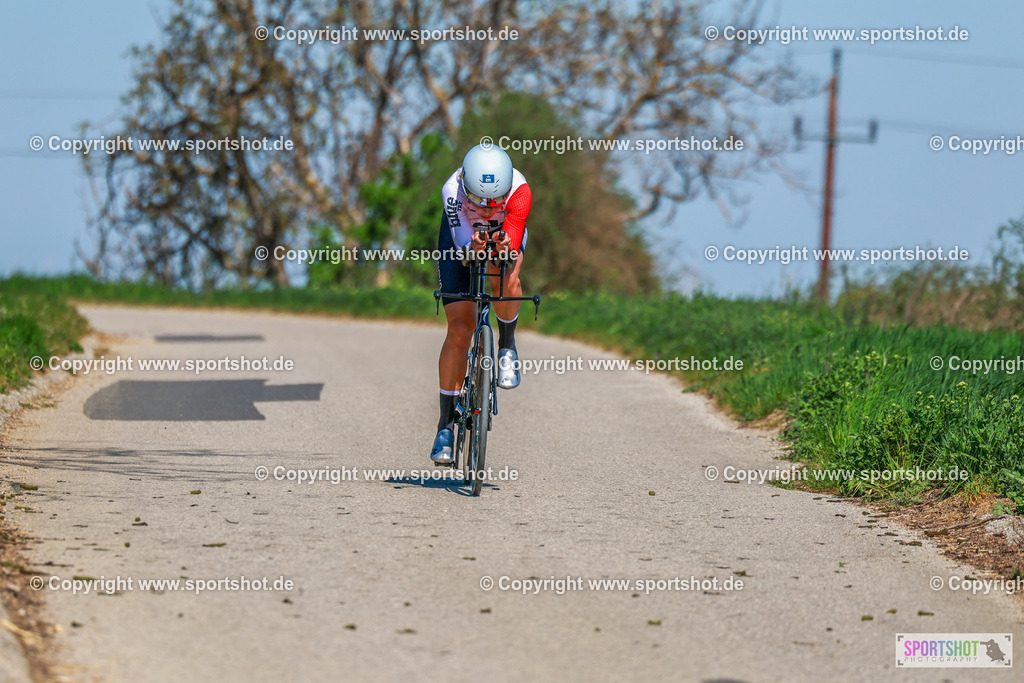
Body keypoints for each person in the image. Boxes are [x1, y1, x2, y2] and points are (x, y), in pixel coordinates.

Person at [430, 144, 532, 464]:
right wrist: (472, 248)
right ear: (464, 184)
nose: (487, 211)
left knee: (504, 276)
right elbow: (462, 249)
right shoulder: (452, 190)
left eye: (494, 204)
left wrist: (501, 248)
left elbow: (509, 250)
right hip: (462, 239)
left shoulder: (519, 191)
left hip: (504, 235)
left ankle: (507, 346)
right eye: (479, 202)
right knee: (460, 330)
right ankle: (445, 426)